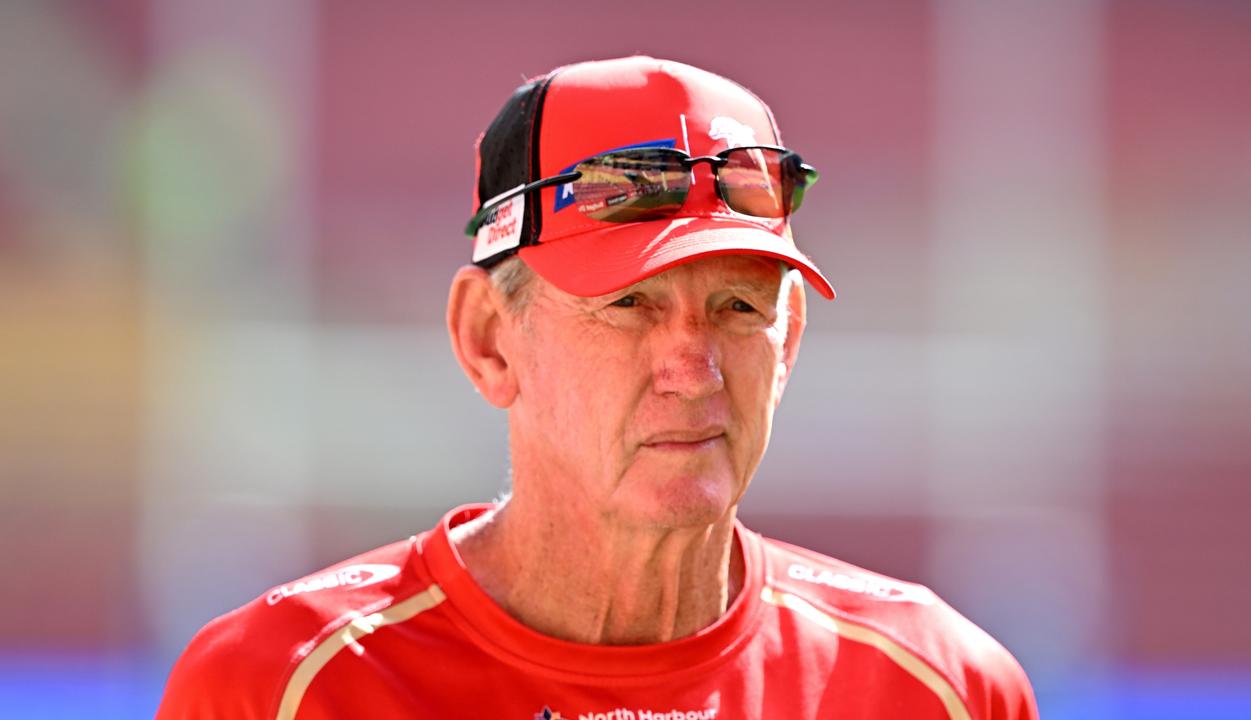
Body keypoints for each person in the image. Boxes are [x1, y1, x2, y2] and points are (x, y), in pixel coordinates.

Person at [156, 55, 1038, 720]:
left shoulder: (940, 686)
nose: (693, 369)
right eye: (629, 306)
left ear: (790, 339)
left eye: (738, 306)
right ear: (488, 339)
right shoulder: (276, 688)